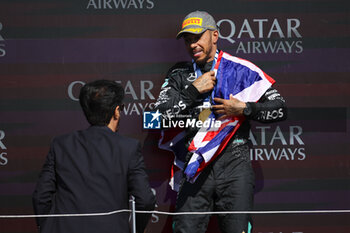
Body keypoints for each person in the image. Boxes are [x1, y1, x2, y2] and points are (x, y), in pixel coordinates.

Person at [154, 11, 287, 233]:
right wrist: (192, 91)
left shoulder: (242, 70)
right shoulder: (179, 74)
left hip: (235, 163)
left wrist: (245, 109)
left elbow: (280, 108)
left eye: (197, 37)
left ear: (214, 36)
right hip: (195, 164)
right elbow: (158, 118)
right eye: (188, 40)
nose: (193, 44)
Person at [32, 80, 156, 233]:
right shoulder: (128, 148)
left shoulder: (61, 144)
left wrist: (47, 227)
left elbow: (41, 197)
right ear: (117, 111)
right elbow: (145, 200)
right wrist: (135, 229)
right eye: (122, 108)